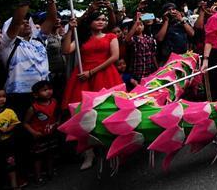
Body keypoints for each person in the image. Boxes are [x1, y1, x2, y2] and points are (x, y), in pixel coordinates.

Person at [61, 11, 123, 169]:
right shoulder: (81, 37)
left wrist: (92, 72)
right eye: (97, 19)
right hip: (83, 78)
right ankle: (88, 153)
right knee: (83, 114)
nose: (101, 22)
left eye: (103, 19)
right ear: (89, 22)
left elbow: (114, 57)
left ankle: (112, 147)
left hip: (105, 75)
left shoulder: (111, 36)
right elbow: (66, 50)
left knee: (109, 111)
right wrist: (70, 30)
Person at [0, 0, 57, 120]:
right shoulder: (8, 43)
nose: (26, 24)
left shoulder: (38, 40)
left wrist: (51, 1)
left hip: (43, 93)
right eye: (23, 23)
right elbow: (16, 22)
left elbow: (51, 20)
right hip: (19, 96)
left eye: (28, 22)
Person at [23, 80, 59, 185]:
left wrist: (58, 122)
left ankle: (50, 172)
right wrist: (34, 132)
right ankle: (38, 177)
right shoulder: (33, 108)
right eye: (44, 90)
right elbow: (25, 123)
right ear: (35, 94)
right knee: (38, 158)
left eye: (50, 89)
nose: (49, 91)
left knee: (50, 153)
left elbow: (57, 114)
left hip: (51, 134)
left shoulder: (54, 102)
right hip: (39, 137)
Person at [124, 14, 158, 85]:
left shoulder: (149, 39)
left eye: (141, 24)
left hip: (148, 72)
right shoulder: (133, 39)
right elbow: (127, 40)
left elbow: (153, 54)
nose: (139, 26)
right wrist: (136, 22)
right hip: (136, 74)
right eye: (137, 25)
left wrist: (157, 68)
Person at [0, 90, 20, 190]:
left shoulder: (9, 112)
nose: (2, 99)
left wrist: (7, 129)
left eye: (4, 96)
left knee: (10, 163)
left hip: (7, 142)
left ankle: (14, 185)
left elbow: (15, 123)